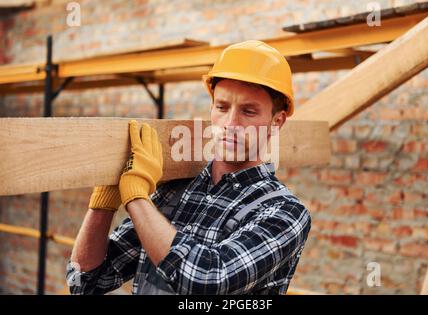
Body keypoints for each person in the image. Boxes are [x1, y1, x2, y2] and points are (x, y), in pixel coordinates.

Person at [66, 40, 311, 295]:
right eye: (222, 107)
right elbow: (87, 282)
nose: (230, 123)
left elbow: (206, 280)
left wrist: (136, 198)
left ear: (276, 122)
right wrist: (104, 202)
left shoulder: (285, 212)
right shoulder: (176, 191)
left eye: (248, 112)